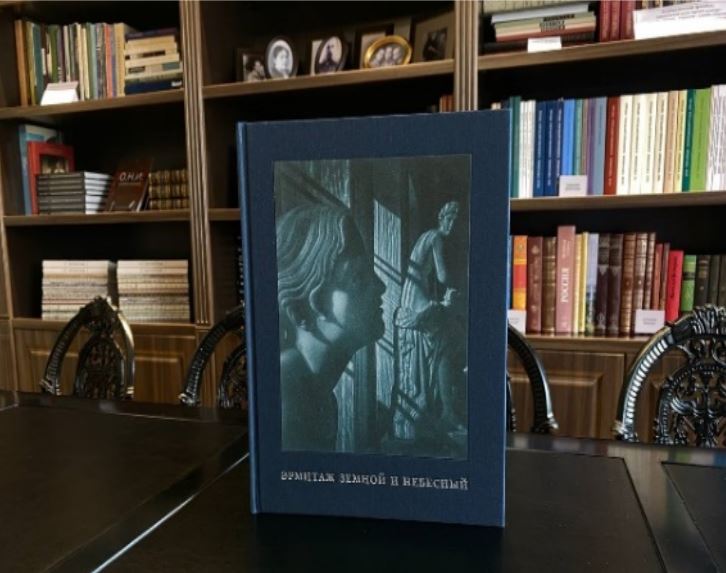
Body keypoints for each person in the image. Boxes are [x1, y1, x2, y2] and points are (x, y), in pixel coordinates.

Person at [277, 205, 386, 452]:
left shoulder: (320, 395)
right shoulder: (285, 398)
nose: (381, 286)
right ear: (312, 303)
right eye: (358, 276)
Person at [393, 201, 465, 449]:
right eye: (449, 219)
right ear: (441, 218)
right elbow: (443, 276)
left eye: (456, 221)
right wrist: (455, 290)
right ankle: (447, 411)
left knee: (446, 341)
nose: (452, 225)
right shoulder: (436, 237)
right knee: (447, 342)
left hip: (413, 299)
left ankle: (446, 410)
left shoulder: (427, 235)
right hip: (416, 303)